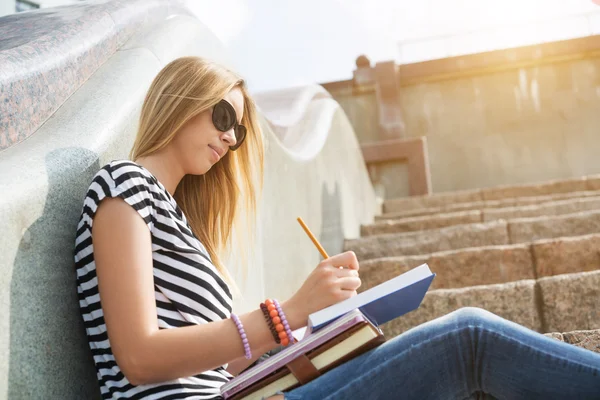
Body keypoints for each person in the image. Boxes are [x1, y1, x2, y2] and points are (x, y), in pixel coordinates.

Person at [74, 56, 600, 400]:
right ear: (180, 99)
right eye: (223, 117)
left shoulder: (180, 221)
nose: (231, 139)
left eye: (239, 130)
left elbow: (216, 368)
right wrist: (286, 314)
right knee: (468, 336)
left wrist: (310, 336)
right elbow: (139, 356)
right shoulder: (125, 184)